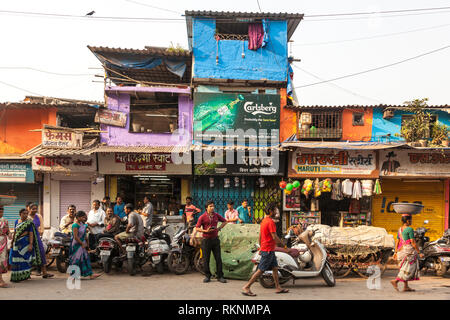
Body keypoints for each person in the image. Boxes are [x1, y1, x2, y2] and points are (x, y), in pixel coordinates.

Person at [242, 203, 289, 296]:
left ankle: (278, 287)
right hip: (268, 250)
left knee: (275, 268)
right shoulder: (270, 222)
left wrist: (261, 246)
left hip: (268, 249)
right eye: (275, 210)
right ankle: (246, 287)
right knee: (261, 270)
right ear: (271, 211)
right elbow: (274, 236)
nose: (276, 212)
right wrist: (284, 246)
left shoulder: (264, 221)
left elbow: (260, 235)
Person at [196, 200, 228, 283]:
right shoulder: (202, 217)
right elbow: (197, 227)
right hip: (206, 240)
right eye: (210, 206)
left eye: (213, 206)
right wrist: (205, 231)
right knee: (206, 259)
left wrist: (219, 228)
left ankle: (220, 276)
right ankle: (207, 276)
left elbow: (225, 221)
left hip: (215, 240)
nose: (212, 207)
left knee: (218, 258)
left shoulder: (216, 215)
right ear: (206, 208)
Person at [391, 214, 423, 292]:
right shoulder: (410, 229)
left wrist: (395, 252)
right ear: (408, 221)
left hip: (401, 250)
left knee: (404, 267)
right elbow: (413, 242)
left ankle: (406, 287)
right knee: (408, 268)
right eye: (411, 220)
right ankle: (396, 281)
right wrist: (419, 252)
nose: (411, 221)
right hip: (409, 251)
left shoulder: (400, 229)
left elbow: (397, 241)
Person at [68, 211, 102, 280]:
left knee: (85, 259)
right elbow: (75, 237)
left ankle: (90, 274)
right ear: (78, 218)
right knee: (76, 260)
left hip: (83, 244)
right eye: (83, 217)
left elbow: (85, 236)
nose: (84, 218)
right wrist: (82, 243)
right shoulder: (75, 225)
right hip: (77, 244)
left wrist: (87, 244)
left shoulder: (83, 224)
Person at [28, 203, 53, 278]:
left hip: (37, 237)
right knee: (29, 255)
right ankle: (27, 273)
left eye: (36, 209)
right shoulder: (27, 217)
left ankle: (44, 273)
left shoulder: (39, 216)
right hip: (28, 237)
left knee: (41, 252)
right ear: (29, 209)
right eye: (33, 209)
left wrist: (40, 233)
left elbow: (41, 227)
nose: (35, 210)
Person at [0, 208, 11, 288]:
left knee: (2, 260)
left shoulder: (5, 220)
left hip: (3, 242)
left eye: (2, 211)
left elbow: (8, 231)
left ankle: (1, 279)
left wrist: (9, 234)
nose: (1, 213)